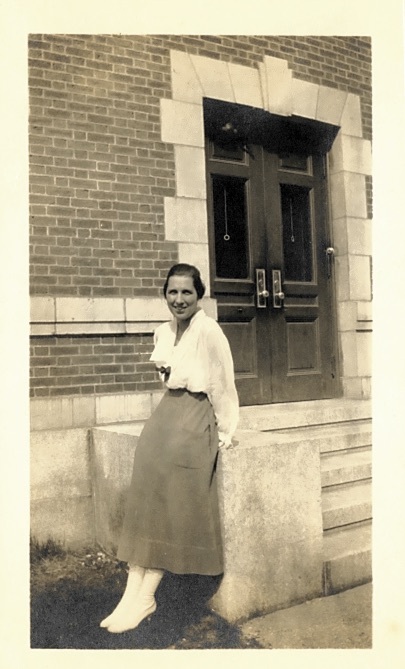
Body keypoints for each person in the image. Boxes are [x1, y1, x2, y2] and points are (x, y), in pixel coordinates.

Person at [100, 263, 239, 633]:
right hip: (168, 412)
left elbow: (223, 385)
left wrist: (226, 429)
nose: (178, 300)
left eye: (186, 292)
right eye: (172, 292)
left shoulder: (209, 331)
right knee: (146, 482)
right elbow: (167, 378)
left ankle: (147, 595)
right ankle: (131, 596)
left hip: (196, 415)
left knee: (168, 492)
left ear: (200, 295)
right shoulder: (163, 331)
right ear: (165, 294)